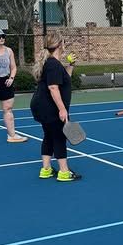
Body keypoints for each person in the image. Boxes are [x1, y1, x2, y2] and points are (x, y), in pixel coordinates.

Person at [30, 34, 81, 182]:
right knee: (59, 137)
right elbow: (53, 87)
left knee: (49, 135)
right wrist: (62, 109)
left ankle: (46, 170)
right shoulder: (53, 64)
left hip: (41, 106)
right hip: (49, 107)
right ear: (60, 45)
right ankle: (64, 172)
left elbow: (64, 81)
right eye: (63, 42)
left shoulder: (52, 63)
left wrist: (71, 65)